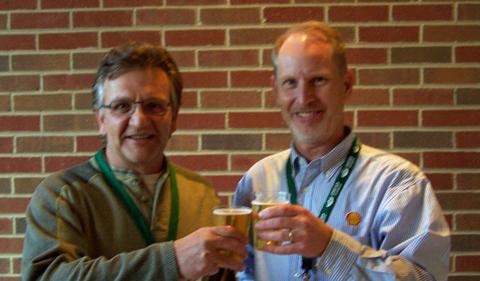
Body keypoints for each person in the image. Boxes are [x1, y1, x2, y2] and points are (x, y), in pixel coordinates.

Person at [233, 21, 450, 281]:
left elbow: (425, 277)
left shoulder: (398, 182)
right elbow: (243, 273)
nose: (304, 97)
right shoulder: (256, 180)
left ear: (347, 84)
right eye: (290, 82)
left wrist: (330, 247)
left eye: (318, 80)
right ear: (276, 90)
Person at [22, 42, 247, 281]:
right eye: (122, 106)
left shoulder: (200, 193)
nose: (139, 120)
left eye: (154, 106)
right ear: (101, 119)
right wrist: (171, 261)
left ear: (174, 118)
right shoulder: (61, 195)